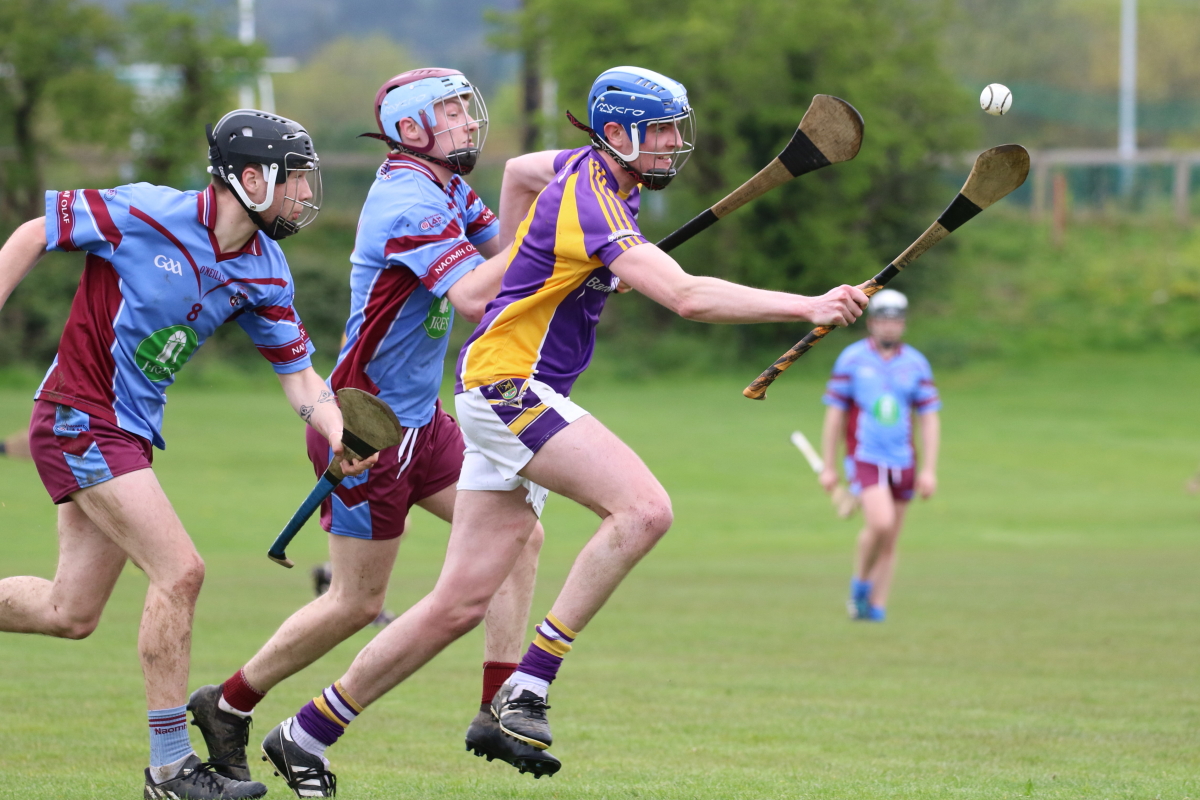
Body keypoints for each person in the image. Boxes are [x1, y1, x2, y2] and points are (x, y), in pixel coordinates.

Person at [257, 65, 868, 796]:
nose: (675, 145)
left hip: (496, 389)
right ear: (616, 134)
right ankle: (529, 686)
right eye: (661, 132)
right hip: (508, 387)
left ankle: (306, 733)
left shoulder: (592, 174)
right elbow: (683, 295)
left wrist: (537, 256)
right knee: (643, 510)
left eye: (678, 129)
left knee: (455, 606)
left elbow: (518, 168)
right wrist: (808, 305)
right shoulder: (591, 194)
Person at [185, 71, 558, 796]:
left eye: (463, 109)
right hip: (364, 428)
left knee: (521, 535)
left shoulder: (448, 189)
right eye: (448, 112)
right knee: (355, 603)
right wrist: (566, 232)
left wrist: (595, 250)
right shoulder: (408, 200)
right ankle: (228, 703)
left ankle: (495, 707)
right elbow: (482, 294)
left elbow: (509, 251)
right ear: (411, 129)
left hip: (425, 422)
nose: (465, 122)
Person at [0, 110, 375, 800]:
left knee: (69, 612)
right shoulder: (146, 211)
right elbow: (35, 230)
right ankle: (170, 770)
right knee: (181, 572)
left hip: (130, 435)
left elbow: (298, 378)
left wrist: (336, 431)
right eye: (292, 181)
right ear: (249, 177)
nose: (303, 196)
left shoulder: (265, 269)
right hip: (79, 418)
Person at [818, 289, 941, 622]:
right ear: (871, 323)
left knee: (890, 539)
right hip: (866, 456)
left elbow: (929, 418)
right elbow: (835, 415)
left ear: (903, 324)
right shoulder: (853, 359)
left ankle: (875, 607)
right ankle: (860, 584)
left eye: (896, 321)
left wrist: (929, 469)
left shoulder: (915, 363)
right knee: (881, 523)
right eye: (883, 320)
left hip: (903, 459)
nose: (890, 327)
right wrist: (829, 465)